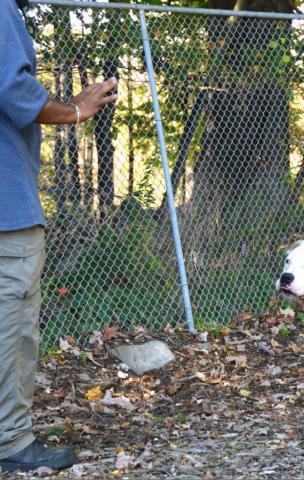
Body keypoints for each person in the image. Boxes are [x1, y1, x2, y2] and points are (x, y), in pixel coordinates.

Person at [0, 0, 118, 472]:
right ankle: (10, 440)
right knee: (12, 327)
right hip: (7, 214)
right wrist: (75, 109)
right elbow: (14, 88)